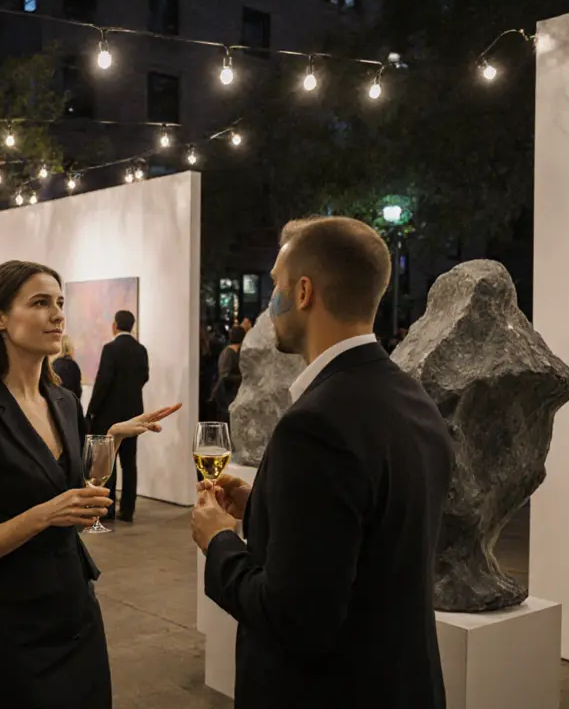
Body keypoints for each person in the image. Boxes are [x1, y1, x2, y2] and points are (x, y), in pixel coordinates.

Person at [190, 217, 452, 708]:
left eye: (276, 285)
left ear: (304, 291)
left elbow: (293, 619)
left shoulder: (315, 425)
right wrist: (265, 506)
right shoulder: (412, 399)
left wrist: (218, 540)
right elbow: (367, 536)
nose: (271, 302)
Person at [0, 259, 179, 708]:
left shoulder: (63, 401)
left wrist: (112, 440)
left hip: (77, 614)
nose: (58, 315)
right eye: (41, 303)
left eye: (60, 303)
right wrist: (43, 516)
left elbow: (74, 499)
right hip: (12, 634)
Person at [86, 310, 149, 522]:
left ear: (115, 326)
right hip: (133, 414)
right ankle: (128, 509)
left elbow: (103, 381)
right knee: (129, 463)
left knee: (108, 462)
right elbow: (144, 377)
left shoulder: (110, 349)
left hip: (109, 415)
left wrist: (92, 410)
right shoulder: (141, 350)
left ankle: (109, 507)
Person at [212, 325, 246, 420]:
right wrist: (242, 378)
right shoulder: (229, 353)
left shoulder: (232, 352)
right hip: (226, 397)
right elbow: (225, 376)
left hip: (230, 395)